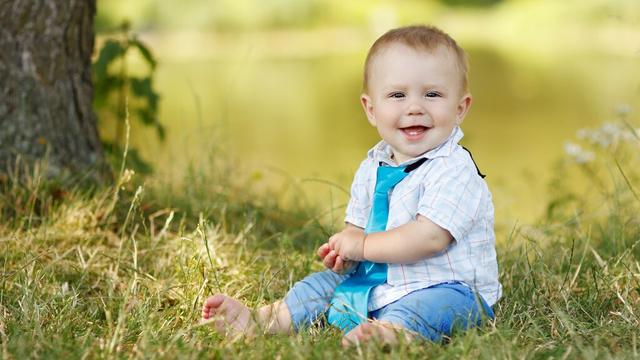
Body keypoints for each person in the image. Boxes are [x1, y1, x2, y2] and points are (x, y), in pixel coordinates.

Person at [201, 24, 501, 347]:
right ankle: (263, 320)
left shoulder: (455, 169)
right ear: (371, 110)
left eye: (432, 94)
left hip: (449, 287)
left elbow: (429, 237)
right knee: (321, 285)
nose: (415, 107)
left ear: (460, 108)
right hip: (379, 282)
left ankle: (392, 334)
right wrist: (347, 252)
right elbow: (356, 230)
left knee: (428, 308)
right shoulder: (372, 166)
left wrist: (362, 246)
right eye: (398, 95)